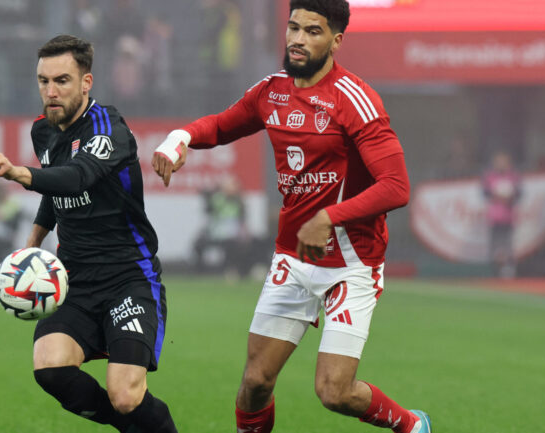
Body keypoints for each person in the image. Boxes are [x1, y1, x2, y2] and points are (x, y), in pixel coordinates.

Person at [152, 1, 431, 432]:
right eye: (293, 27)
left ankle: (412, 426)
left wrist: (329, 217)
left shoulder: (355, 100)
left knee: (334, 392)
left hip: (351, 263)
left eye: (313, 32)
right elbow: (223, 125)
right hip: (294, 259)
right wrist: (180, 137)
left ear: (336, 41)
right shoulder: (272, 91)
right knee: (256, 381)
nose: (298, 39)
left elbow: (396, 186)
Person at [0, 35, 176, 433]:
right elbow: (53, 190)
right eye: (43, 81)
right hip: (72, 280)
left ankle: (140, 420)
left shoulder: (110, 129)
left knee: (126, 395)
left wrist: (18, 173)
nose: (51, 92)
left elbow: (75, 178)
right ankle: (131, 425)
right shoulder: (43, 131)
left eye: (62, 80)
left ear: (86, 83)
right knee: (50, 369)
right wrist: (32, 245)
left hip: (127, 278)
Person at [481, 151, 522, 278]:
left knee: (508, 245)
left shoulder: (513, 175)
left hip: (508, 217)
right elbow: (486, 193)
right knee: (495, 245)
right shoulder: (490, 176)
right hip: (495, 217)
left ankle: (508, 269)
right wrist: (497, 196)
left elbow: (518, 193)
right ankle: (496, 270)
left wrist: (509, 198)